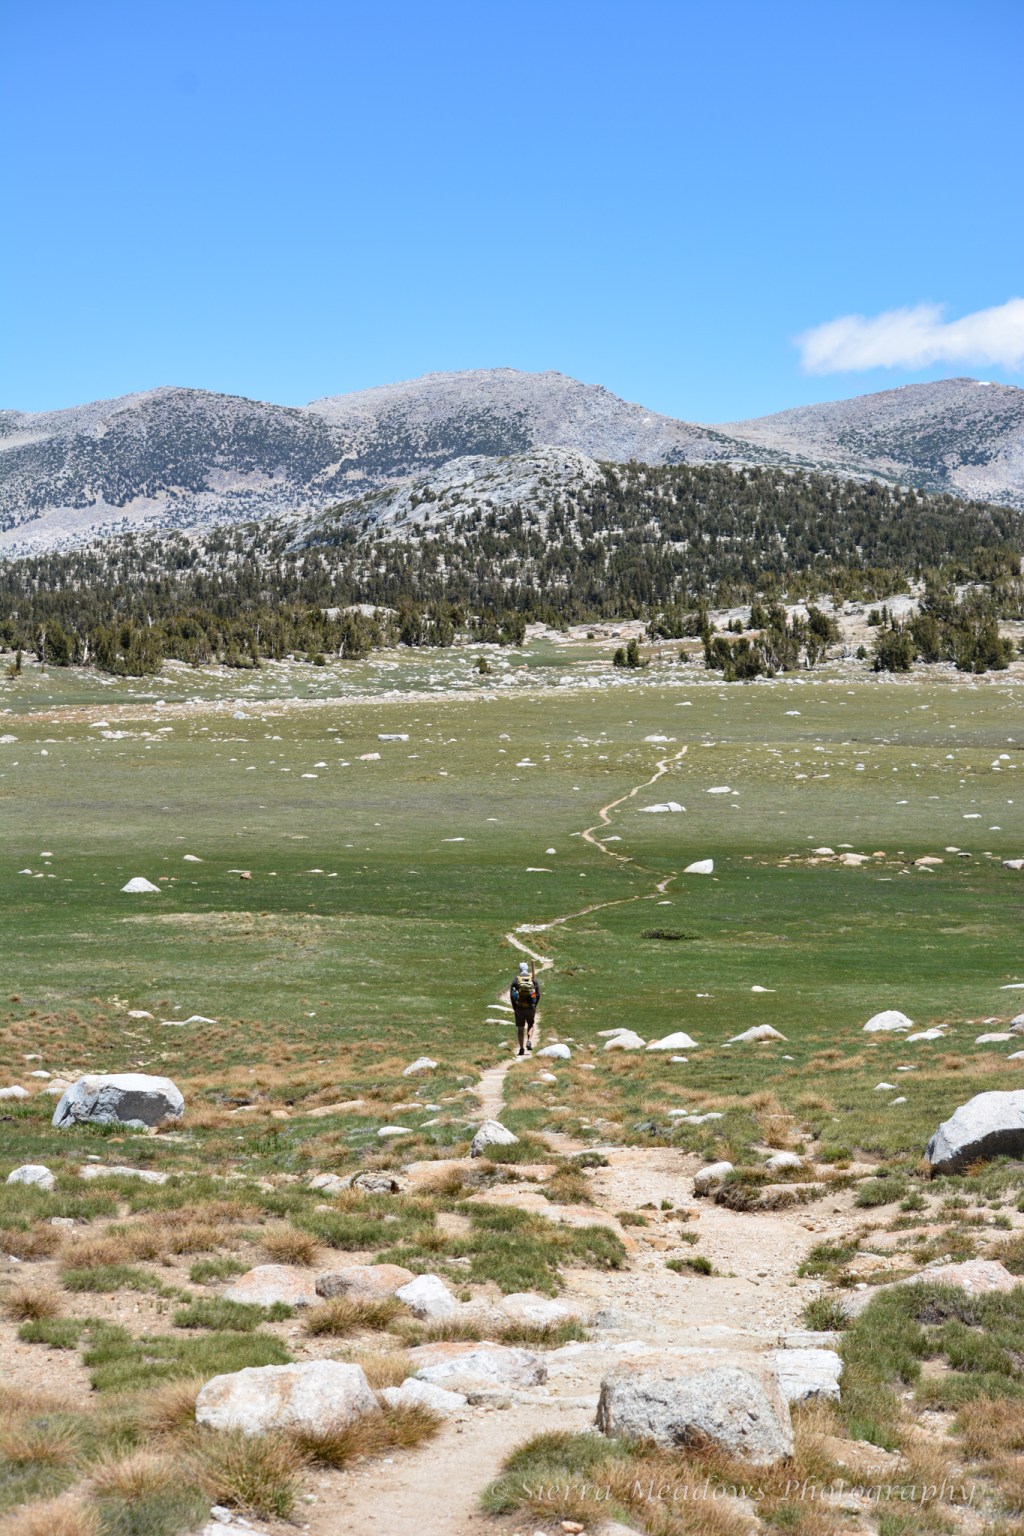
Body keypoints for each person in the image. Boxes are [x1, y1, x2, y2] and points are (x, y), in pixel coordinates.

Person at [510, 961, 540, 1055]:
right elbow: (538, 994)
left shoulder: (516, 980)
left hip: (519, 1007)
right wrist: (535, 1005)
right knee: (530, 1024)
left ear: (519, 969)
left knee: (520, 1027)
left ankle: (521, 1049)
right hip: (530, 1007)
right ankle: (529, 1041)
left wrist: (515, 1007)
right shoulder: (533, 980)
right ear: (527, 969)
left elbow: (512, 995)